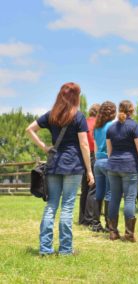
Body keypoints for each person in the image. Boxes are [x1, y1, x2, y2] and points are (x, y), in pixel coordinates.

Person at [26, 82, 94, 256]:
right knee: (67, 207)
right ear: (76, 98)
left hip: (54, 165)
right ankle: (65, 250)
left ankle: (45, 249)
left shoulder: (51, 116)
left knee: (51, 205)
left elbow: (30, 129)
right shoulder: (78, 117)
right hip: (73, 165)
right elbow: (84, 144)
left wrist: (44, 147)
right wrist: (89, 171)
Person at [106, 100, 138, 242]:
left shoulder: (111, 128)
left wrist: (113, 162)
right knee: (129, 199)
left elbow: (109, 151)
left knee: (114, 198)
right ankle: (129, 234)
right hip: (129, 167)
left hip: (113, 166)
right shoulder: (135, 127)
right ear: (131, 110)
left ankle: (113, 232)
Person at [93, 101, 116, 231]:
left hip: (98, 162)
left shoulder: (97, 127)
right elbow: (111, 146)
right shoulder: (112, 126)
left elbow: (96, 147)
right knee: (109, 193)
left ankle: (96, 223)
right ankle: (108, 224)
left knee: (99, 193)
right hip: (108, 160)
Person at [79, 103, 101, 231]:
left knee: (85, 189)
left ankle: (82, 219)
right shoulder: (97, 125)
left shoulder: (84, 122)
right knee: (93, 188)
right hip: (93, 155)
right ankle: (89, 219)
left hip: (82, 157)